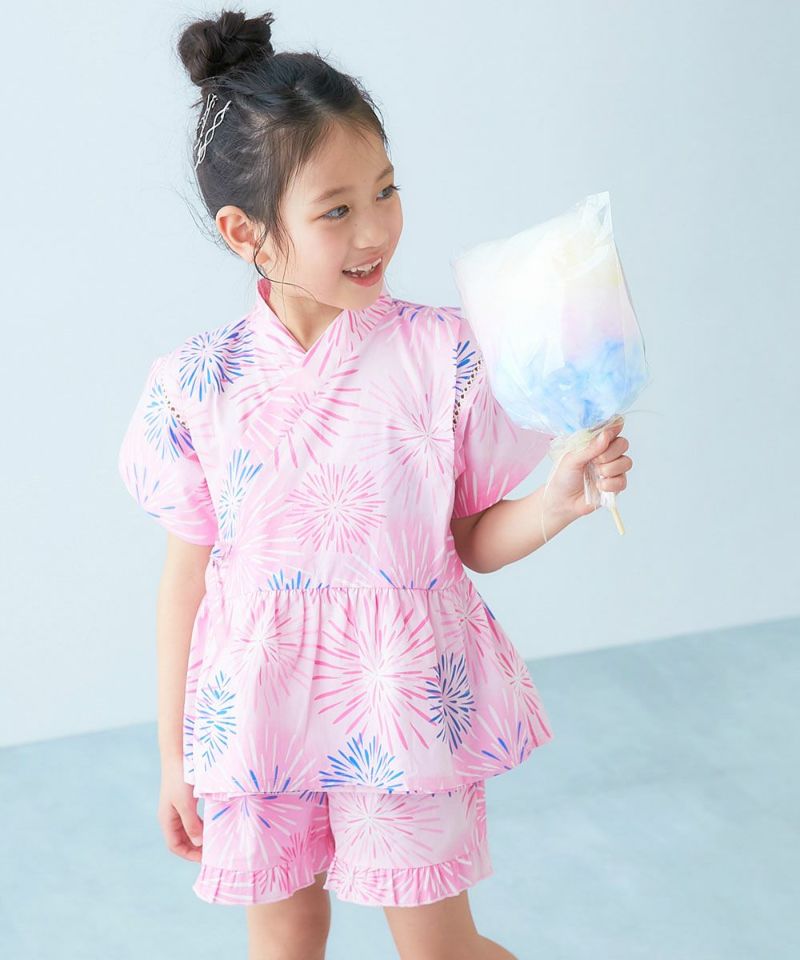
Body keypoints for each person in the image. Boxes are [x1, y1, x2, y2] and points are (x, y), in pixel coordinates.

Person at [117, 9, 633, 960]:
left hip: (400, 702)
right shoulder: (197, 385)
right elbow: (186, 580)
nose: (376, 229)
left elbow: (469, 541)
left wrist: (559, 500)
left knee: (439, 948)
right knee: (283, 939)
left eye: (386, 191)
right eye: (337, 210)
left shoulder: (445, 356)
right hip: (255, 714)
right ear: (245, 232)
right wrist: (175, 756)